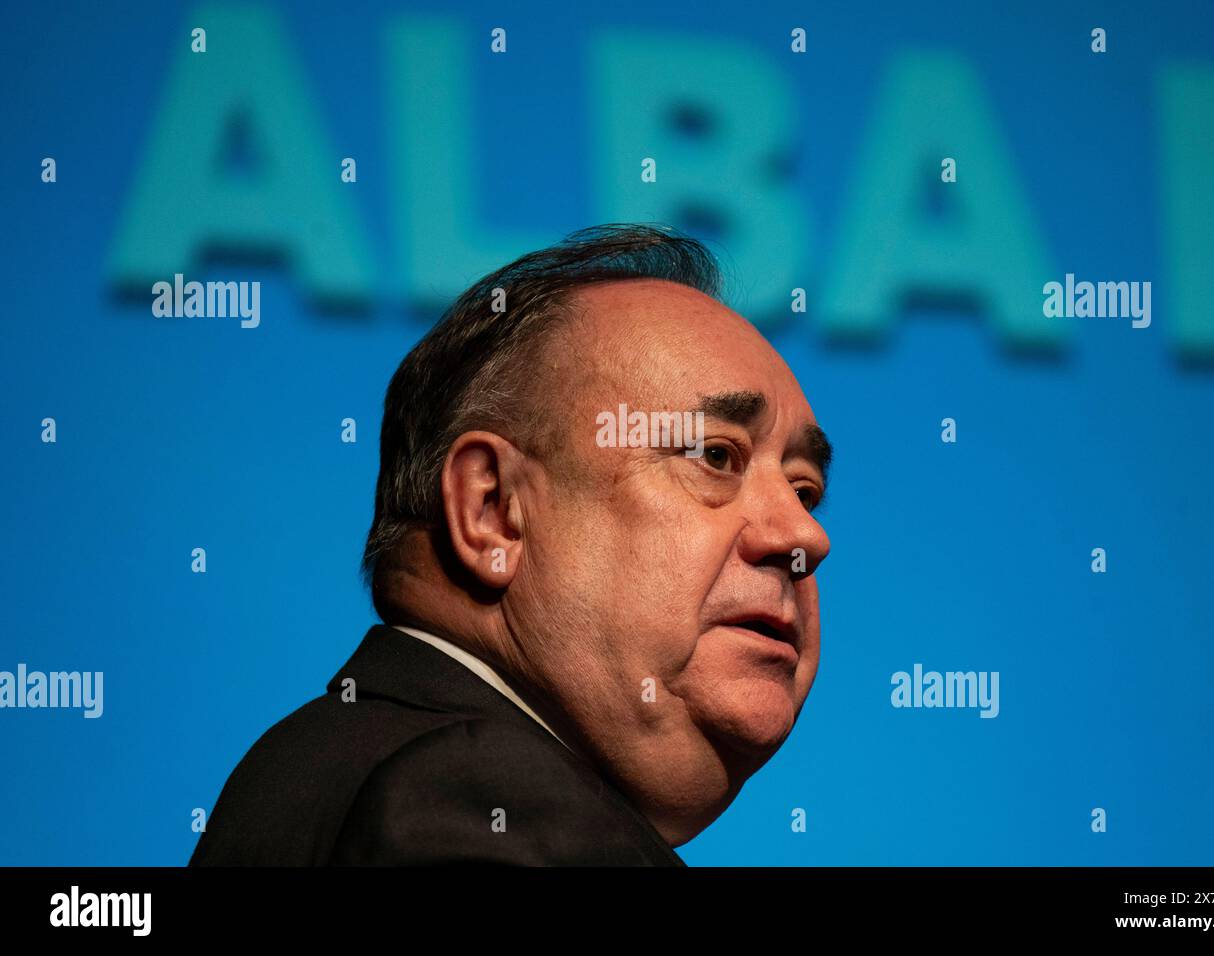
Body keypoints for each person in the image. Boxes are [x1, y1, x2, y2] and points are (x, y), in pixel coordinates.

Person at [190, 223, 832, 865]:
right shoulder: (476, 797)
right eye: (716, 455)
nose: (805, 536)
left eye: (804, 490)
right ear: (492, 511)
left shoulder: (340, 763)